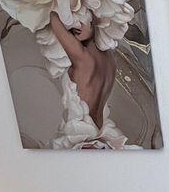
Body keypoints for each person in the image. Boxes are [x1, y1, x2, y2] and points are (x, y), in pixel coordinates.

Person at [47, 12, 129, 150]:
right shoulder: (109, 59)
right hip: (101, 134)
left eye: (81, 15)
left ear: (96, 17)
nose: (75, 24)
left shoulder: (83, 58)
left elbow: (53, 19)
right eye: (70, 18)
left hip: (80, 136)